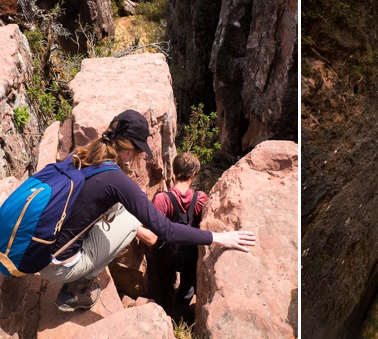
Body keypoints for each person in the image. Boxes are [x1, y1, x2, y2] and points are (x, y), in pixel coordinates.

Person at [38, 110, 255, 312]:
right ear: (127, 151)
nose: (137, 157)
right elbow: (167, 230)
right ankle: (77, 289)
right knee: (132, 221)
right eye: (139, 151)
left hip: (36, 248)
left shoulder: (79, 156)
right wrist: (218, 237)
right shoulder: (117, 180)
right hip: (57, 266)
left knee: (121, 214)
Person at [152, 151, 207, 314]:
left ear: (174, 172)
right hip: (191, 255)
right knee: (188, 285)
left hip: (167, 254)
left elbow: (155, 232)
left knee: (164, 282)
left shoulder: (162, 198)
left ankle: (166, 309)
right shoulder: (201, 198)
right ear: (193, 174)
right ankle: (182, 311)